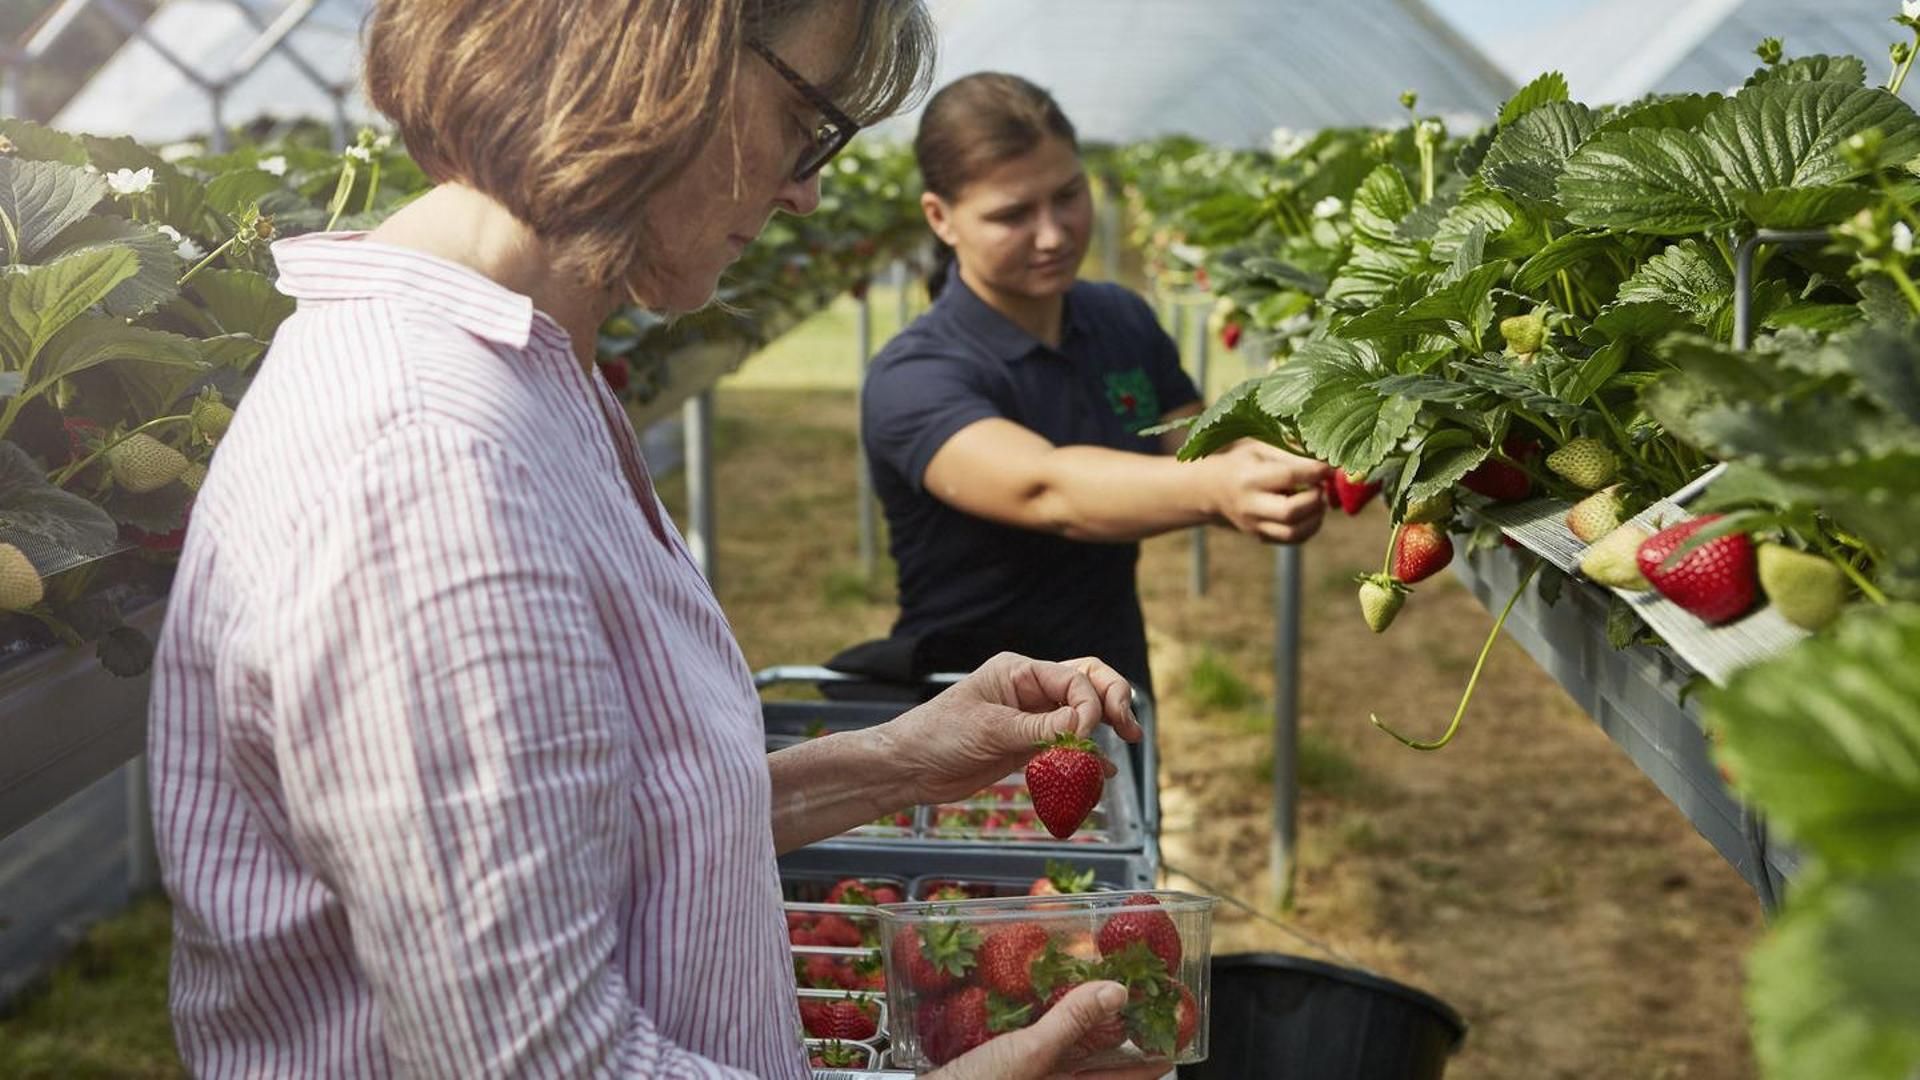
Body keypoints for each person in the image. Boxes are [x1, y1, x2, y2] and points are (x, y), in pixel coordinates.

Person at [147, 4, 1167, 1078]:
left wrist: (897, 761)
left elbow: (608, 827)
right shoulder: (431, 468)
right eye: (805, 119)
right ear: (654, 58)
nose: (804, 189)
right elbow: (540, 1066)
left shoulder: (528, 375)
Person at [855, 72, 1331, 699]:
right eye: (1013, 214)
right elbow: (1049, 491)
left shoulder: (1119, 319)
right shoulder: (914, 376)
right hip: (966, 710)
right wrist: (1217, 488)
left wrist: (1299, 452)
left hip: (1113, 691)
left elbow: (1196, 444)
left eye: (1069, 195)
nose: (1053, 234)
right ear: (941, 218)